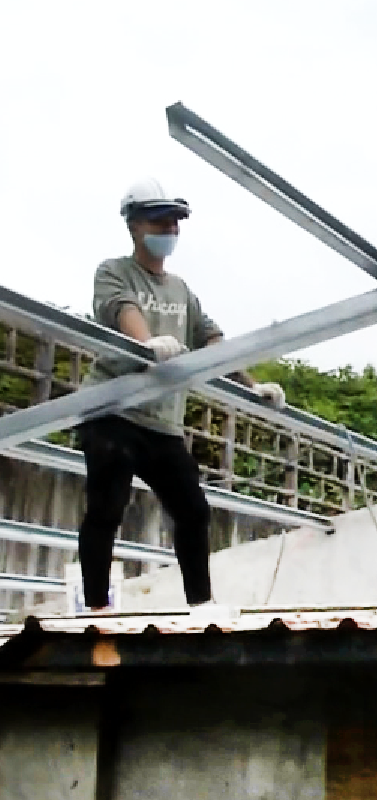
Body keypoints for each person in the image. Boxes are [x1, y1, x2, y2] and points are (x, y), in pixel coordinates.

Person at [77, 178, 286, 612]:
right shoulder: (114, 271)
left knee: (193, 509)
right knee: (107, 506)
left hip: (161, 421)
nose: (169, 230)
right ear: (134, 226)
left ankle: (201, 605)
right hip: (112, 411)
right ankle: (96, 607)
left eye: (175, 223)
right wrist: (146, 343)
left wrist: (252, 387)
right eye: (160, 221)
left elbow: (211, 339)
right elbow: (122, 308)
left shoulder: (182, 290)